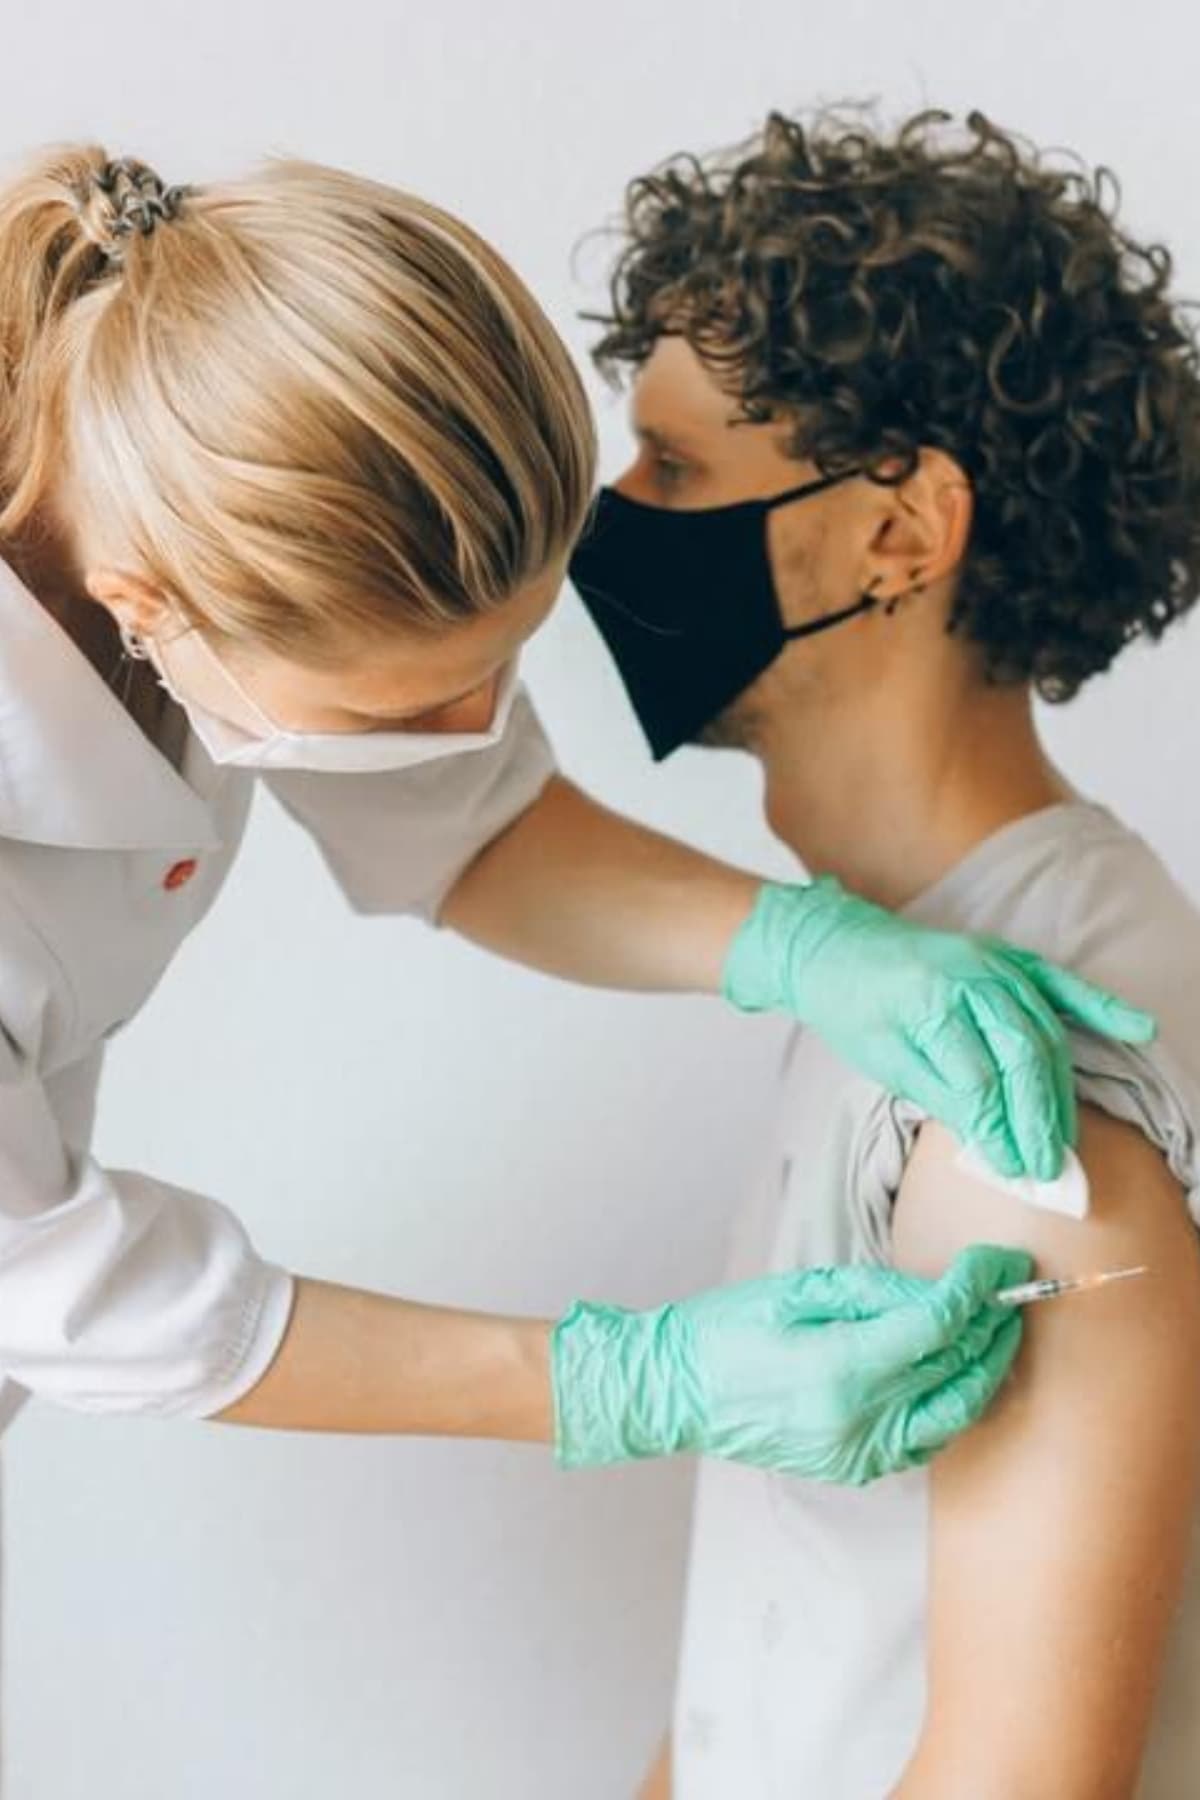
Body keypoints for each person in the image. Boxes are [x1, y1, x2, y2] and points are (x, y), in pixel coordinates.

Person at [0, 141, 1153, 1768]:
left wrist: (806, 946)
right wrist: (624, 1381)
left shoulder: (193, 508)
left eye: (501, 667)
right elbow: (61, 1286)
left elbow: (472, 828)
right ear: (149, 606)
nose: (477, 732)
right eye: (412, 704)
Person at [568, 106, 1200, 1798]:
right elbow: (774, 1636)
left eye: (674, 469)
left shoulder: (1028, 1088)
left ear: (903, 533)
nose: (610, 521)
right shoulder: (885, 970)